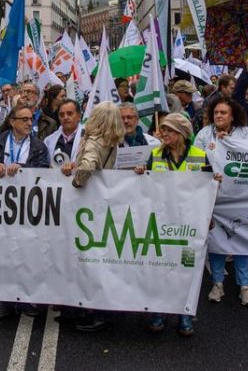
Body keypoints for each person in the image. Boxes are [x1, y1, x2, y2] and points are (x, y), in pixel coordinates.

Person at [135, 113, 219, 337]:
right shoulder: (154, 155)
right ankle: (159, 311)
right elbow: (144, 189)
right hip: (162, 225)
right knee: (160, 268)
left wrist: (215, 183)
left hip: (189, 227)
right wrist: (140, 174)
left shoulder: (199, 156)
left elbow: (209, 191)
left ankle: (185, 313)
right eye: (162, 130)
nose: (163, 134)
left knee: (187, 269)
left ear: (182, 133)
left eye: (169, 130)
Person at [64, 101, 124, 333]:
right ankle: (91, 308)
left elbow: (88, 166)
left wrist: (77, 181)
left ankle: (95, 312)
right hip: (101, 204)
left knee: (85, 257)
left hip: (87, 205)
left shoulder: (94, 141)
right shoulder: (111, 142)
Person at [0, 104, 49, 319]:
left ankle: (25, 298)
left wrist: (24, 171)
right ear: (12, 121)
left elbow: (44, 171)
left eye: (30, 119)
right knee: (2, 252)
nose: (29, 123)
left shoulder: (38, 146)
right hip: (1, 207)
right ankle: (4, 300)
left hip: (26, 207)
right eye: (24, 119)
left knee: (26, 253)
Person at [195, 99, 248, 307]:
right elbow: (195, 161)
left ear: (232, 115)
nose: (219, 116)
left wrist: (230, 143)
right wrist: (208, 174)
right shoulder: (204, 134)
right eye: (216, 113)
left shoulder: (245, 133)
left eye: (224, 113)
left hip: (239, 197)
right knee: (216, 242)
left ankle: (245, 286)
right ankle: (217, 283)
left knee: (241, 242)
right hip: (214, 198)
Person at [44, 99, 82, 167]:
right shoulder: (49, 140)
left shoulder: (88, 138)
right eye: (61, 115)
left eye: (70, 113)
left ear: (79, 116)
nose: (65, 117)